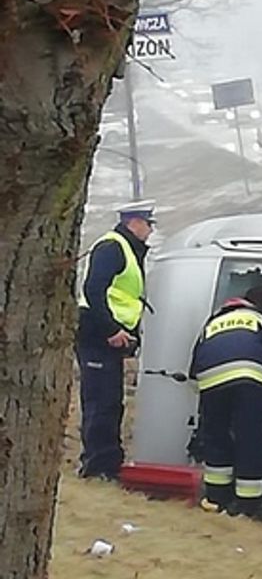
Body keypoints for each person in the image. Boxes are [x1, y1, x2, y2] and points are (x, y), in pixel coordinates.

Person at [76, 200, 156, 480]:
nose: (150, 231)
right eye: (149, 224)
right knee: (100, 402)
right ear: (134, 222)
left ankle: (108, 462)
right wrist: (111, 330)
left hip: (109, 338)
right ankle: (97, 466)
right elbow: (94, 290)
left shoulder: (127, 250)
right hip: (98, 336)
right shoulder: (112, 247)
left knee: (110, 402)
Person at [190, 292, 262, 517]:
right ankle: (247, 505)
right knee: (250, 438)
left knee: (216, 436)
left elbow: (194, 361)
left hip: (211, 378)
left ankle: (216, 498)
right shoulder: (256, 318)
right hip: (248, 376)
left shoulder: (211, 323)